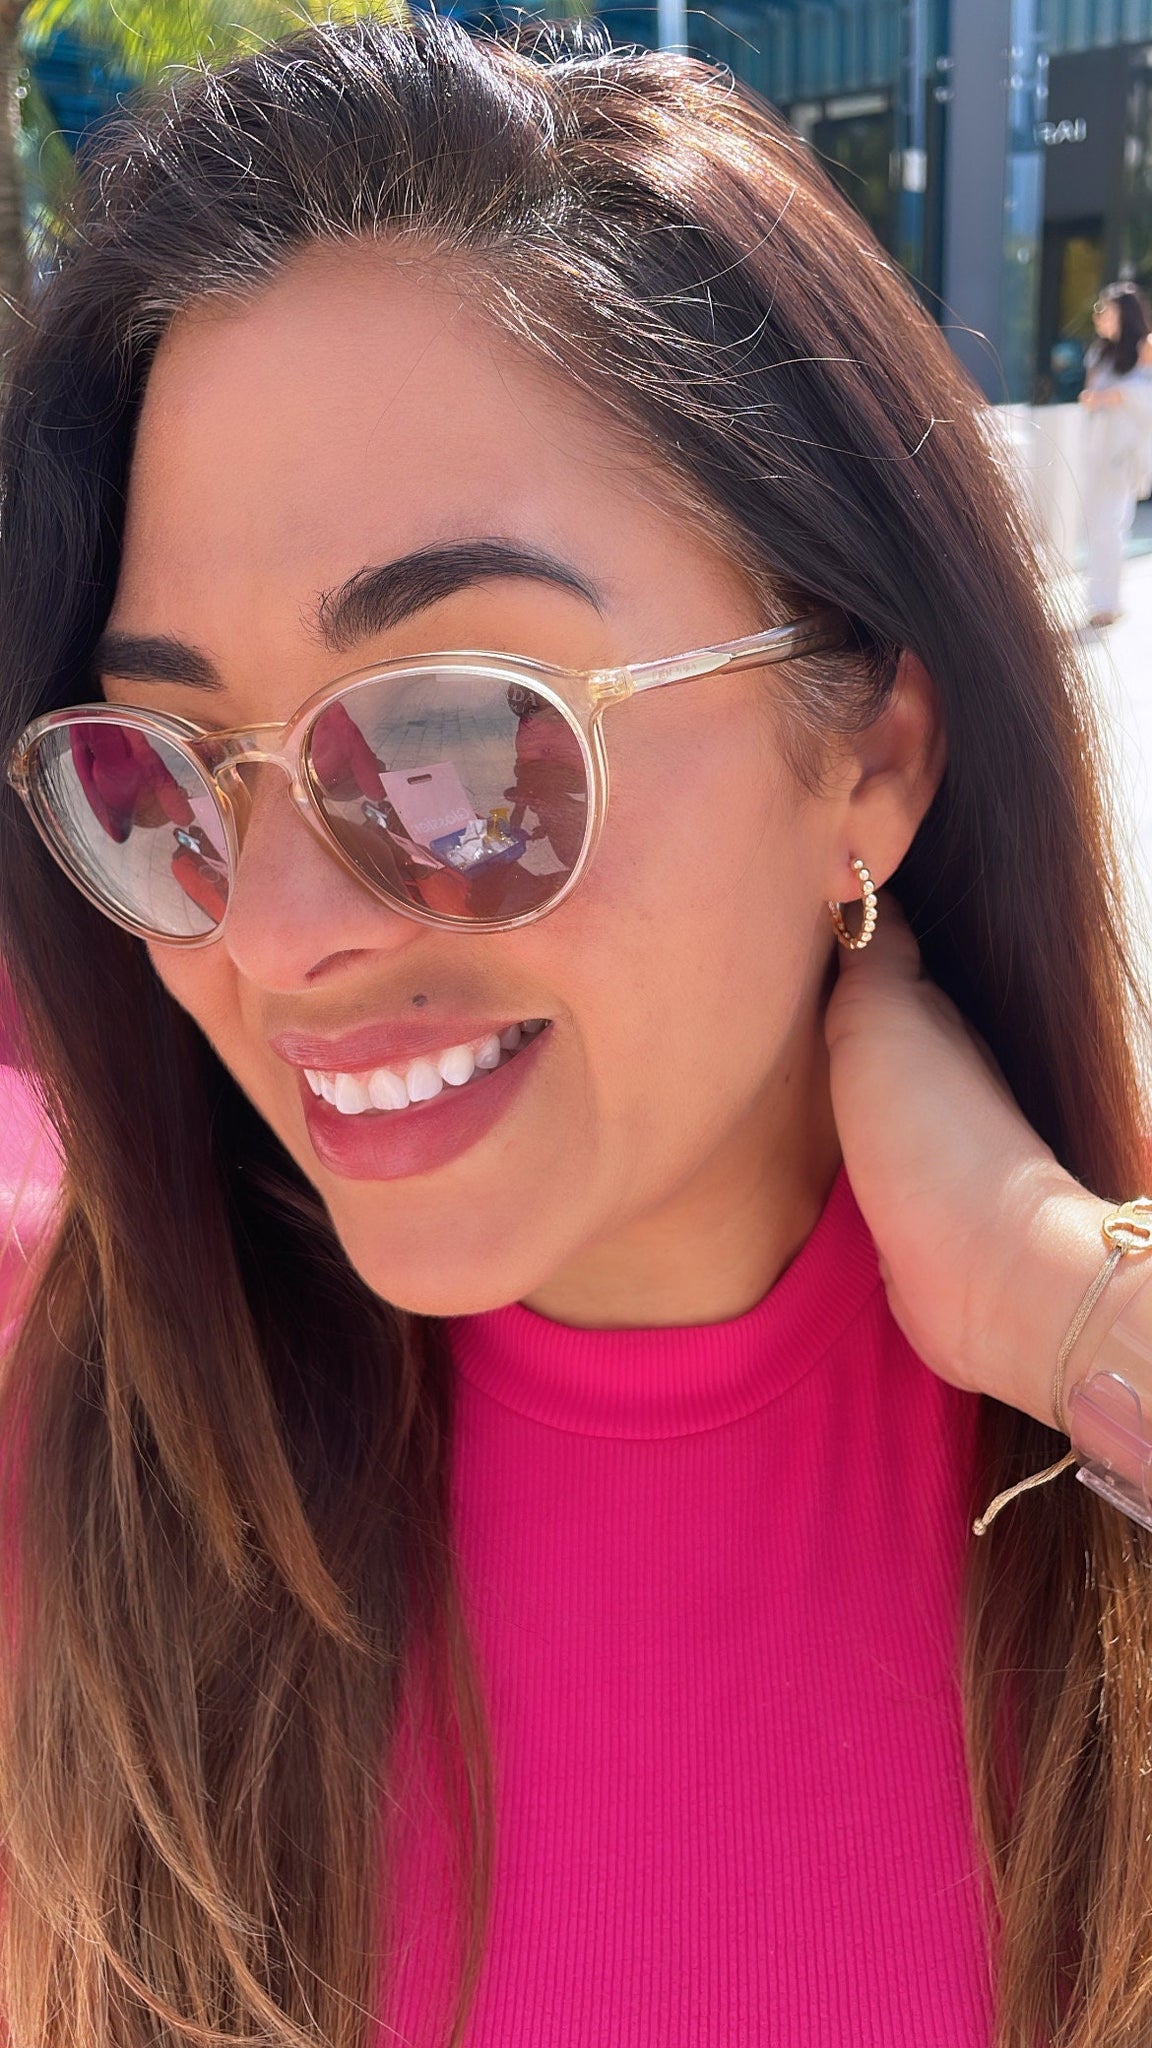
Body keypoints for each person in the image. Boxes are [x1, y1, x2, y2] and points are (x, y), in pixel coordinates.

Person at [0, 17, 1149, 2048]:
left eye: (456, 741)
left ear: (871, 751)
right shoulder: (68, 1419)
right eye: (169, 770)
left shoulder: (1091, 1452)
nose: (274, 935)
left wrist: (1064, 1310)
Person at [1078, 279, 1152, 627]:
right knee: (1099, 526)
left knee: (1111, 524)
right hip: (1098, 449)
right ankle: (1103, 601)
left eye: (1105, 310)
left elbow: (1147, 397)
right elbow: (1089, 396)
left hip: (1125, 453)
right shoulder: (1100, 352)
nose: (1100, 316)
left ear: (1123, 313)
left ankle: (1106, 603)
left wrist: (1113, 396)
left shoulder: (1145, 348)